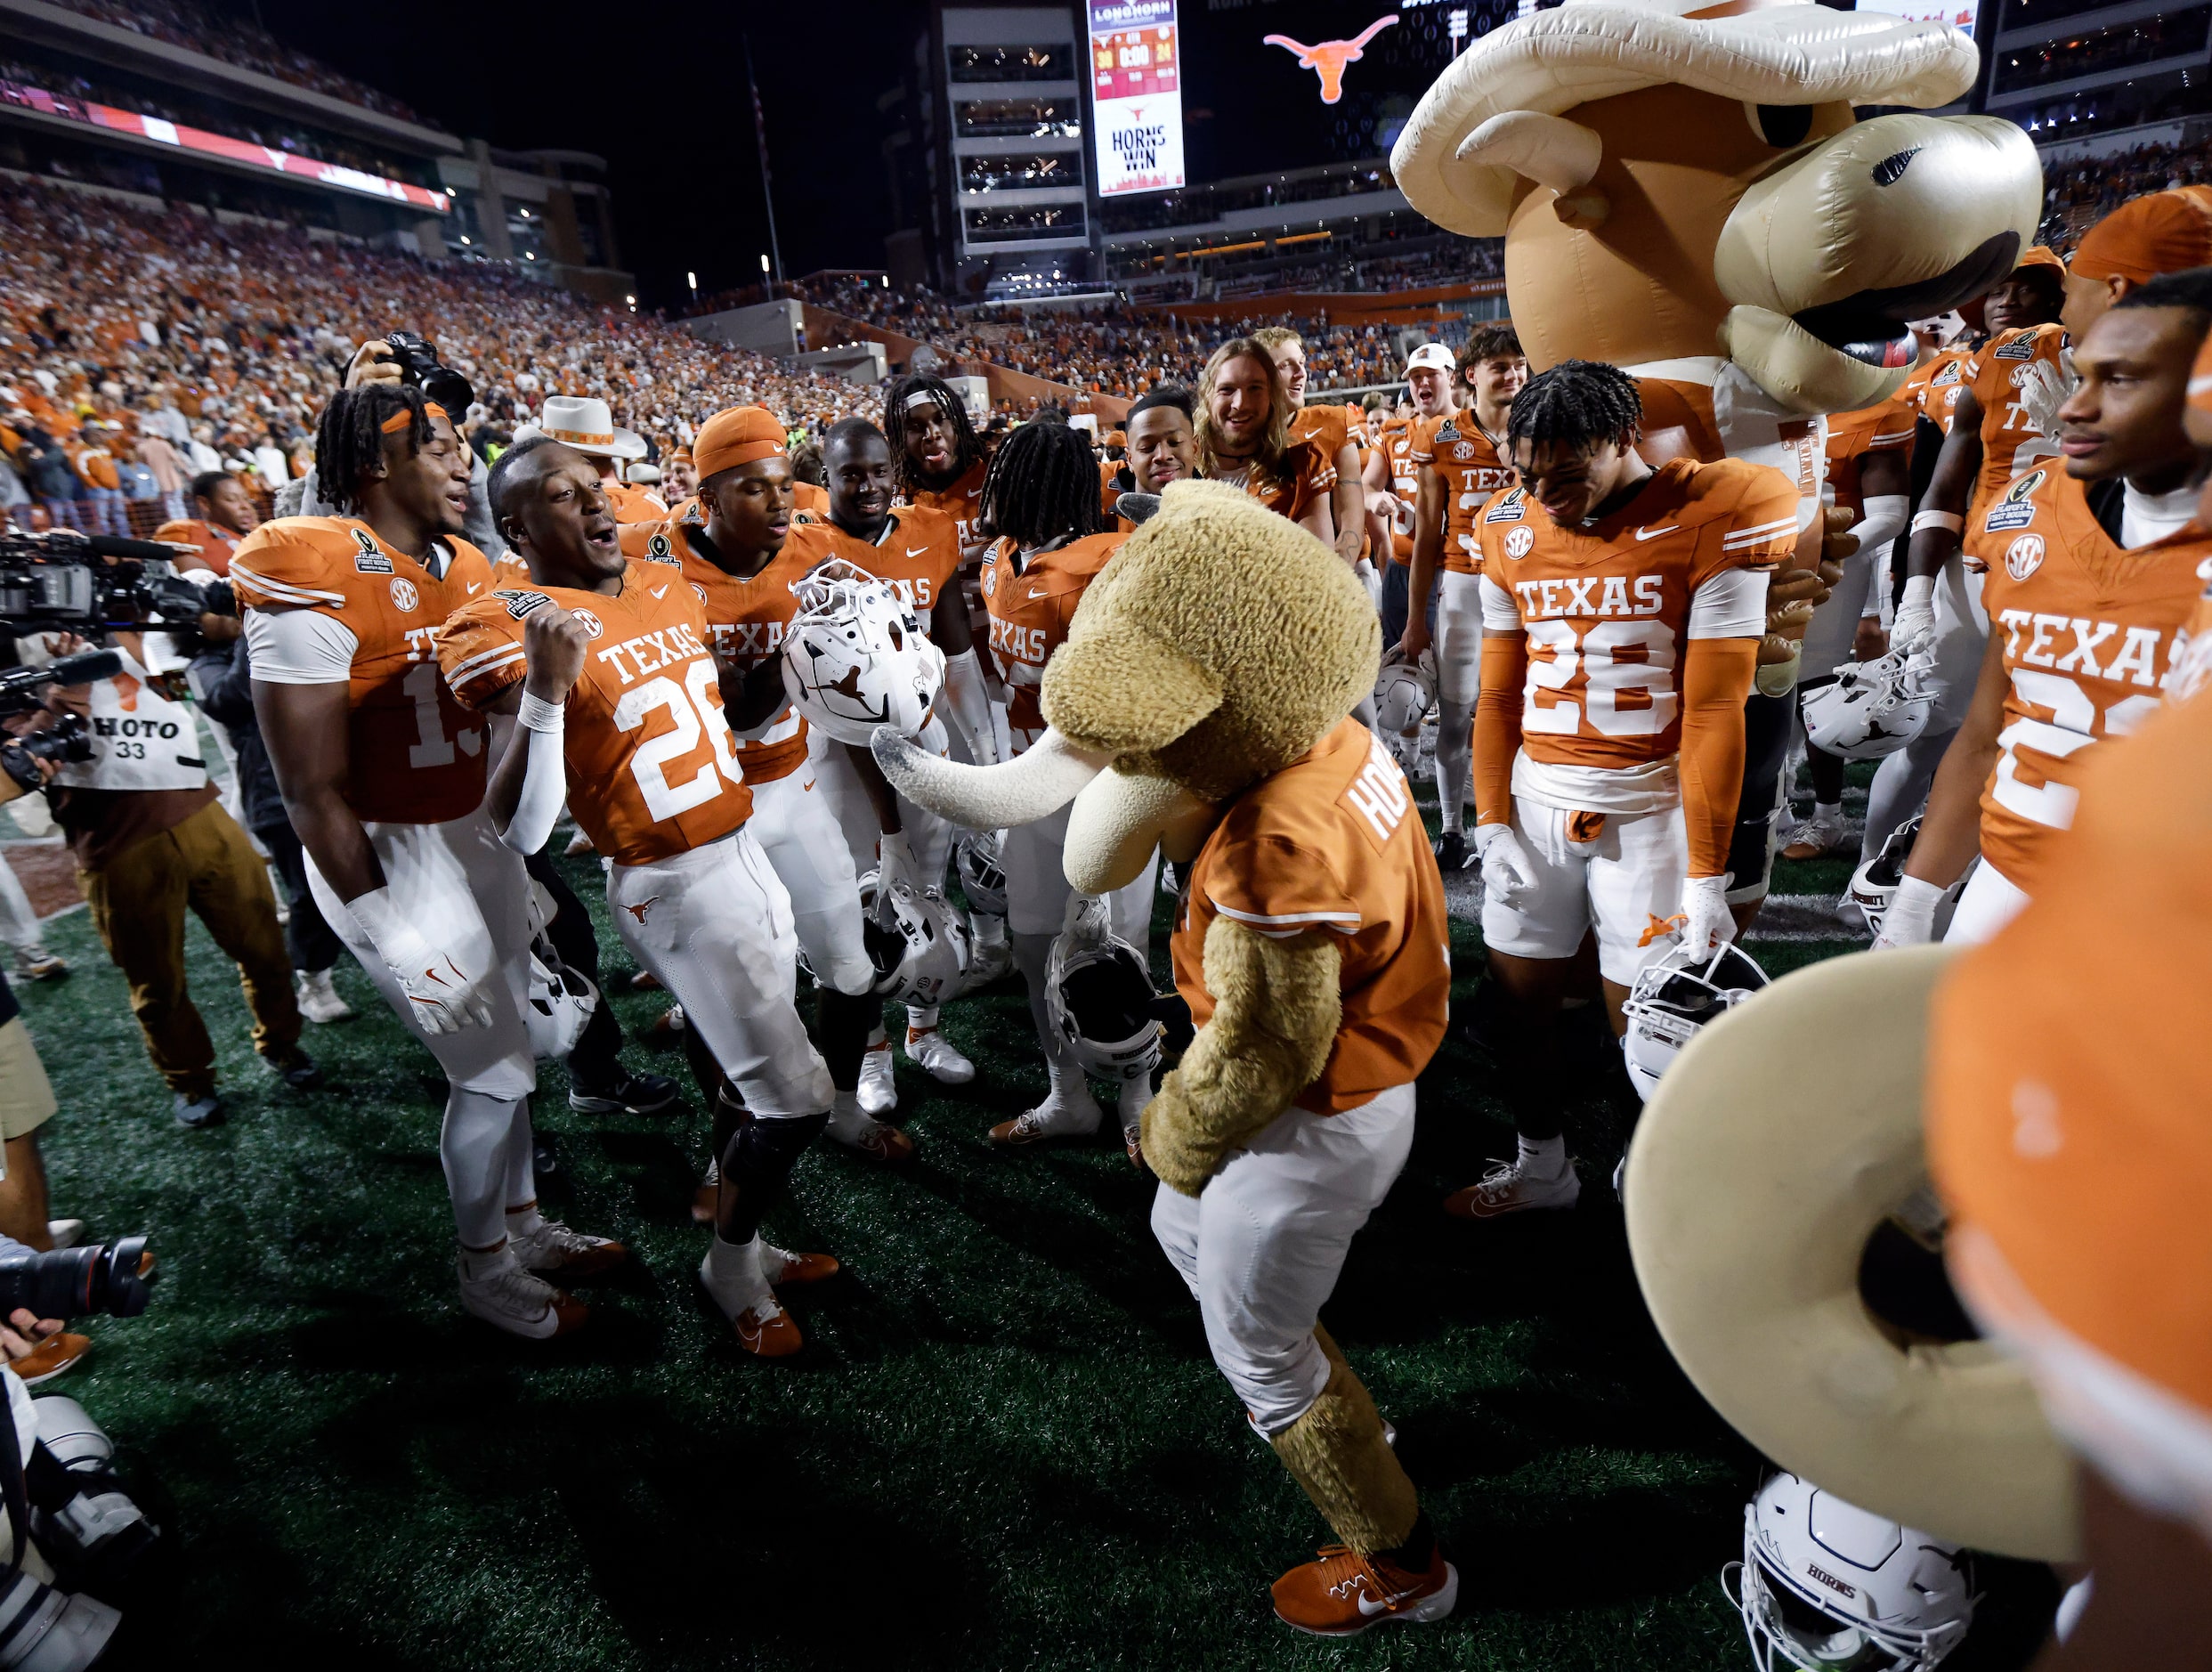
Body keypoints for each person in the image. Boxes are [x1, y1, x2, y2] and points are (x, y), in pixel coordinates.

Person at [443, 436, 841, 1358]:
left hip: (745, 851)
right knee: (799, 1099)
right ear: (516, 527)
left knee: (751, 1087)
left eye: (598, 488)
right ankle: (729, 1270)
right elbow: (523, 829)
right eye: (562, 495)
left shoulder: (662, 586)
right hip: (674, 880)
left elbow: (722, 712)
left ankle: (744, 1249)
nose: (593, 504)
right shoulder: (505, 619)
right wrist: (544, 687)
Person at [237, 380, 619, 1339]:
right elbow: (311, 794)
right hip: (385, 851)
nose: (463, 465)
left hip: (467, 832)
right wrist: (390, 932)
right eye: (440, 447)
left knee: (520, 1048)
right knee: (490, 1070)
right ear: (375, 463)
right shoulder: (311, 565)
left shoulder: (468, 566)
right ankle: (482, 1268)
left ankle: (524, 1226)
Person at [1449, 361, 1792, 1217]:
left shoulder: (1716, 507)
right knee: (1521, 1010)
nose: (1544, 494)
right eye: (1527, 475)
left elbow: (1716, 707)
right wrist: (1489, 823)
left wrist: (1708, 872)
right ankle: (1542, 1167)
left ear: (1621, 438)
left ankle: (1663, 1185)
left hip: (1648, 809)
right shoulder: (1506, 523)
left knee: (1652, 1031)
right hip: (1534, 800)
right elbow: (1497, 695)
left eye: (1566, 473)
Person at [1876, 268, 2212, 949]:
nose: (2072, 409)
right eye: (2083, 376)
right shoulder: (2033, 513)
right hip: (2006, 880)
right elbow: (1982, 737)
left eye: (2118, 381)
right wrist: (1915, 901)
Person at [618, 406, 911, 1165]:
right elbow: (743, 705)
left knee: (848, 968)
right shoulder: (655, 572)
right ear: (706, 502)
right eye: (754, 489)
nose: (780, 502)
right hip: (707, 811)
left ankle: (842, 1106)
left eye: (784, 484)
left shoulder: (814, 547)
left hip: (790, 784)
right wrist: (809, 652)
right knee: (741, 1004)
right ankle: (727, 1159)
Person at [786, 418, 997, 1109]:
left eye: (879, 471)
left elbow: (956, 650)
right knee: (865, 899)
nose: (869, 485)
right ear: (826, 480)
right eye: (851, 474)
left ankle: (922, 1031)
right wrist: (890, 826)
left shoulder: (930, 530)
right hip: (842, 756)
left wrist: (985, 756)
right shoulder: (802, 546)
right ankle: (873, 1051)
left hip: (924, 744)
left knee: (929, 894)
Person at [30, 623, 316, 1129]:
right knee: (157, 983)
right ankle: (190, 1080)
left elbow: (173, 691)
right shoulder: (16, 667)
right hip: (115, 843)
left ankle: (283, 1043)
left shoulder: (118, 632)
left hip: (200, 811)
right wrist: (65, 692)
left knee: (266, 947)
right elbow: (21, 764)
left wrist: (124, 630)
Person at [973, 419, 1150, 1157]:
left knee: (1117, 950)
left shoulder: (1105, 567)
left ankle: (1139, 1097)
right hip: (1028, 787)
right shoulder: (999, 560)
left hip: (1103, 787)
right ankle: (1066, 1095)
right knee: (1032, 940)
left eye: (1007, 480)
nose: (991, 496)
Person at [1398, 324, 1528, 869]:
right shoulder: (1441, 436)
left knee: (1525, 712)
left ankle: (1517, 825)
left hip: (1527, 586)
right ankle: (1452, 831)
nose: (1514, 375)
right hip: (1466, 586)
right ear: (1472, 375)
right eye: (1501, 366)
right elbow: (1428, 529)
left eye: (1519, 365)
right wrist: (1414, 620)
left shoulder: (1542, 428)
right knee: (1456, 715)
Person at [186, 603, 352, 1027]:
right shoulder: (205, 665)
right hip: (276, 793)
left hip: (334, 780)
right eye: (214, 611)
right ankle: (315, 982)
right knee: (309, 894)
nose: (227, 615)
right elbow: (231, 698)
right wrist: (254, 632)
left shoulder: (279, 639)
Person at [1785, 390, 1913, 861]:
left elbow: (1889, 514)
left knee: (1815, 687)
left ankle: (1827, 818)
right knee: (1756, 684)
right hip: (1753, 560)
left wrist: (1823, 551)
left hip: (1834, 562)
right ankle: (1775, 804)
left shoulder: (1871, 411)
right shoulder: (1748, 400)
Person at [1191, 338, 1336, 546]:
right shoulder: (1179, 465)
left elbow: (1315, 569)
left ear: (1272, 397)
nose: (1240, 404)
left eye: (1255, 388)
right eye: (1227, 389)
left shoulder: (1302, 467)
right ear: (1207, 395)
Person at [1365, 344, 1459, 650]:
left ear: (1452, 378)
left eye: (1431, 374)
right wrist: (1374, 499)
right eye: (1415, 377)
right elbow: (1365, 487)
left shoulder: (1473, 430)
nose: (1423, 383)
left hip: (1456, 569)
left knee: (1456, 673)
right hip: (1403, 565)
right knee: (1401, 675)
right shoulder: (1393, 434)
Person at [1250, 327, 1365, 564]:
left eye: (1301, 362)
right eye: (1285, 365)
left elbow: (1351, 519)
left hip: (1340, 565)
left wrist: (1333, 579)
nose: (1300, 373)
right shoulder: (1239, 438)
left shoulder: (1333, 421)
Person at [155, 470, 258, 576]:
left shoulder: (259, 535)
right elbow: (198, 586)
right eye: (231, 499)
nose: (245, 506)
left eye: (246, 499)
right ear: (204, 504)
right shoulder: (191, 535)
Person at [1122, 384, 1201, 496]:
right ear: (1130, 460)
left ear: (1194, 449)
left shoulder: (1224, 509)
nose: (1163, 455)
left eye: (1175, 442)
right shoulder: (1100, 511)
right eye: (1147, 447)